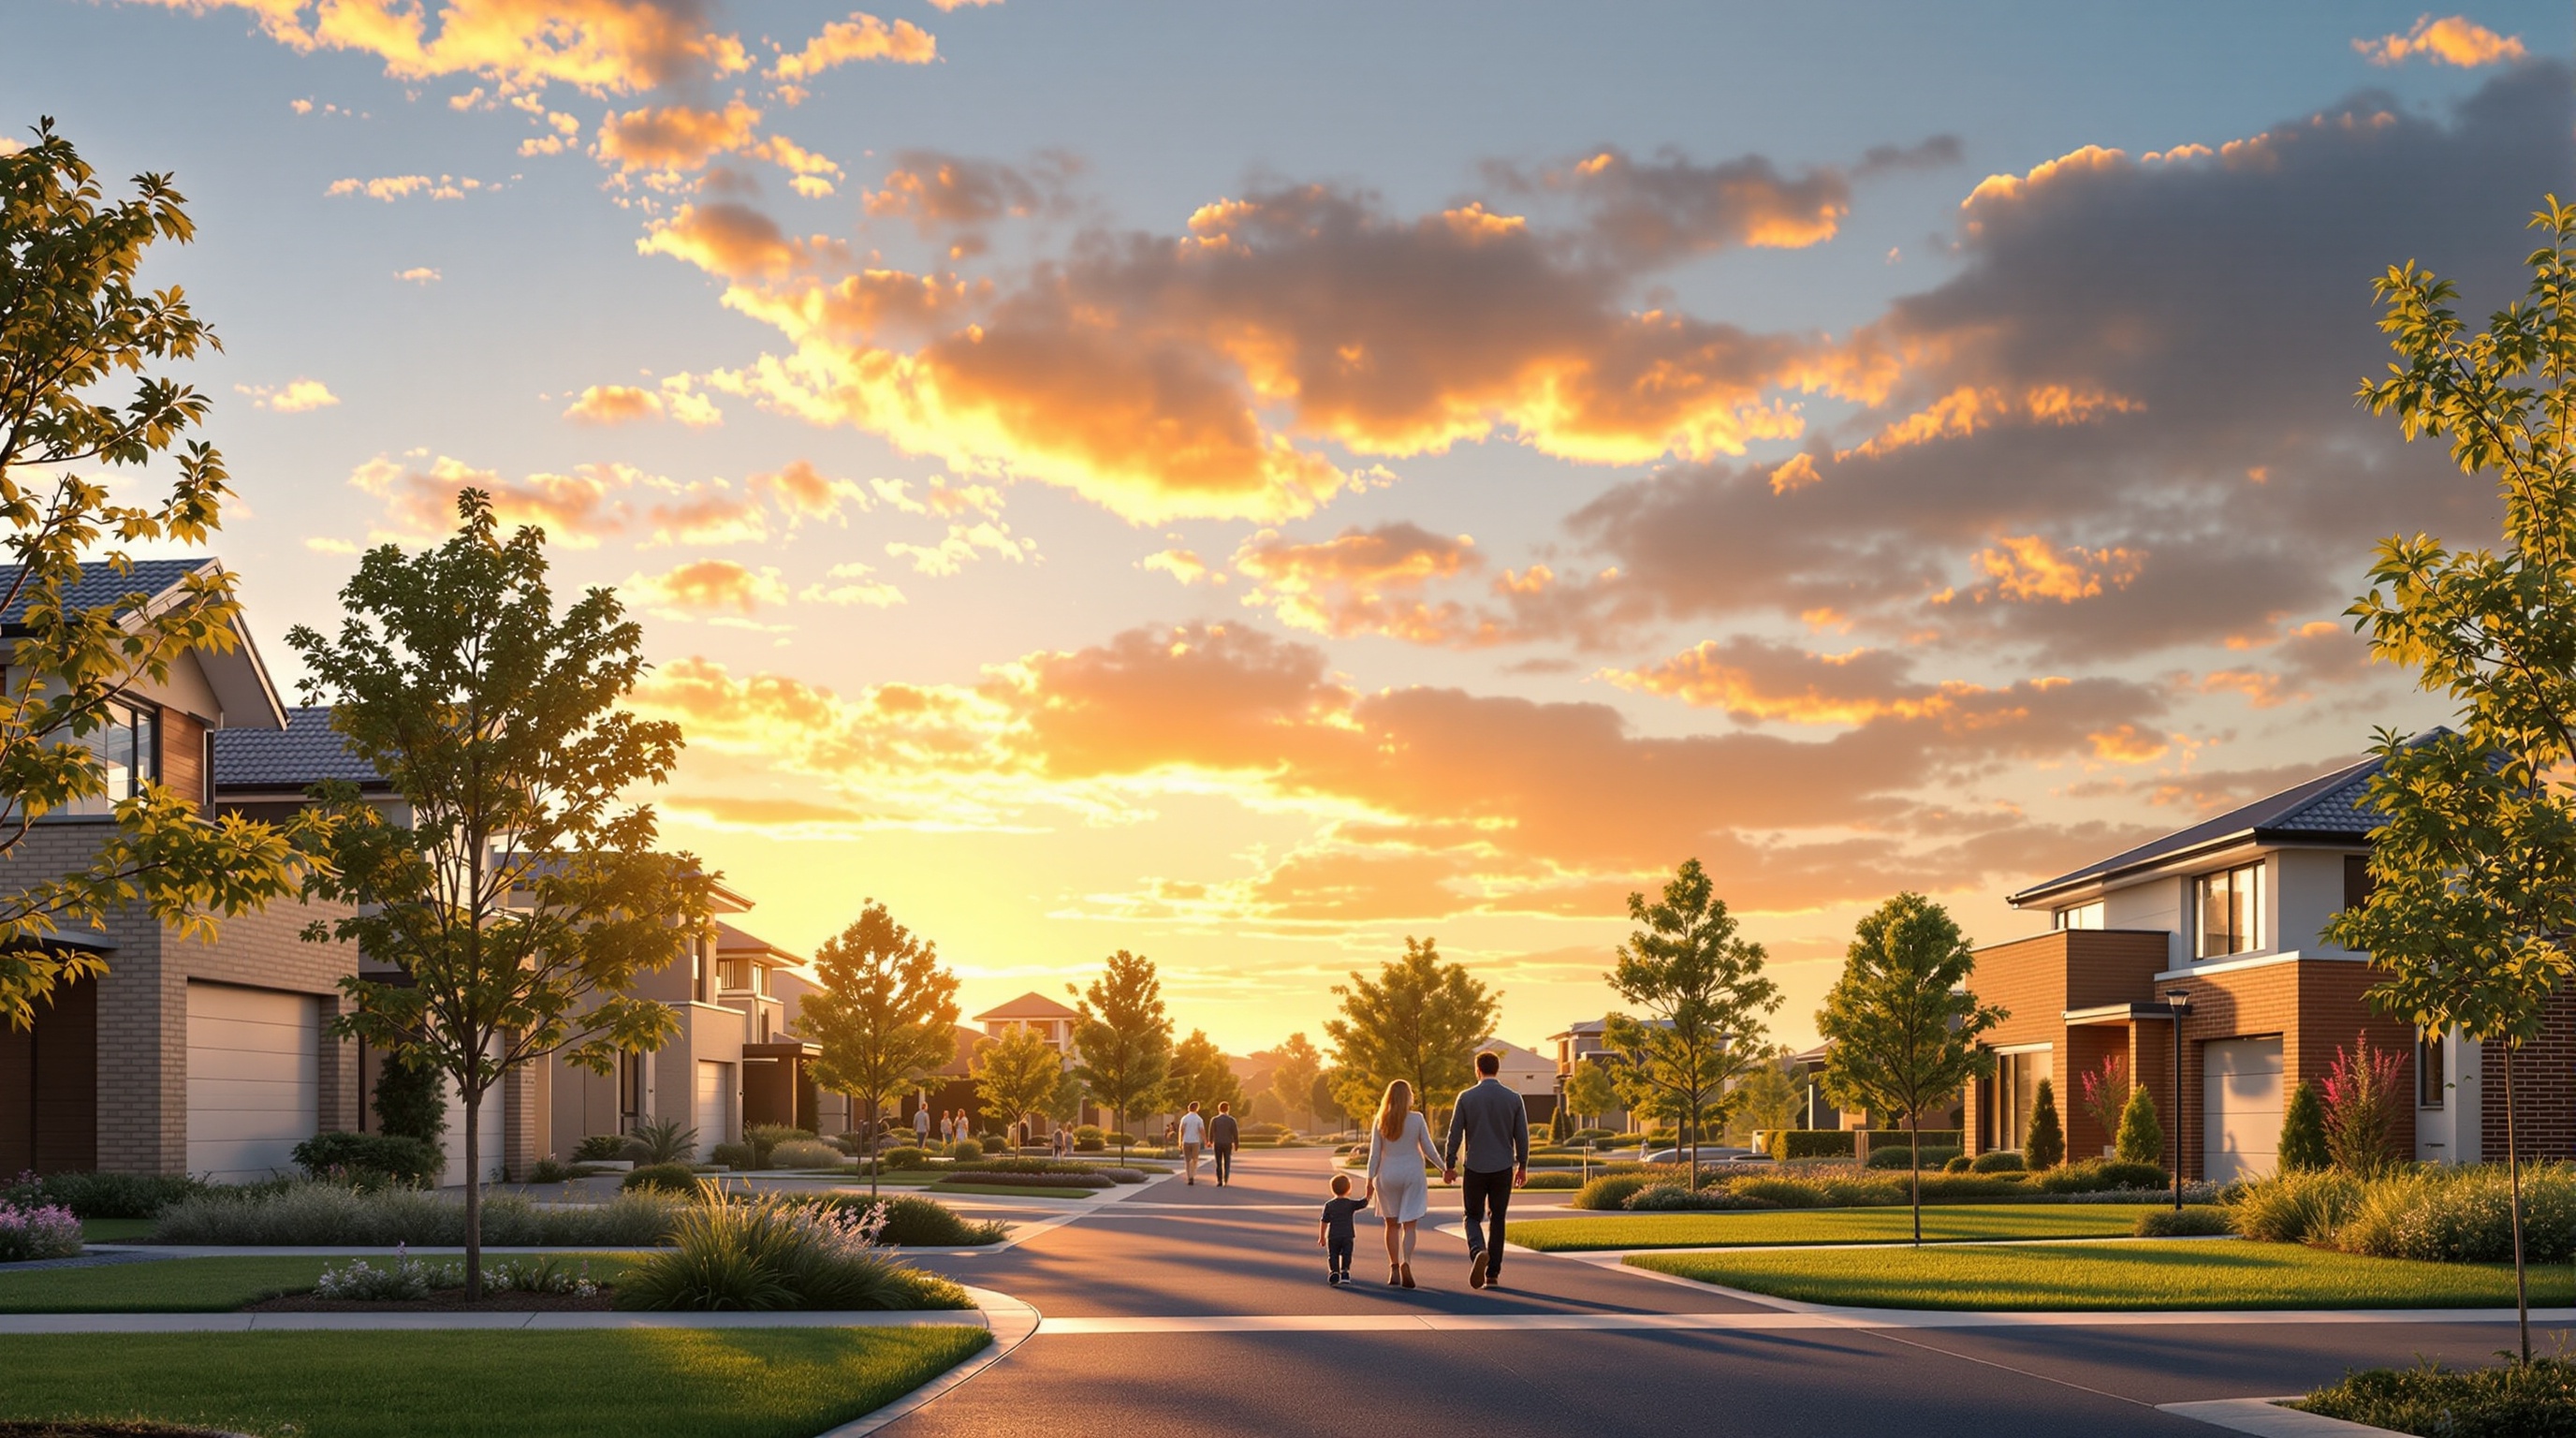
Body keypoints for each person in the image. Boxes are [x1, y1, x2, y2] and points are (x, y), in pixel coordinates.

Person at [1443, 1049, 1530, 1290]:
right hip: (1503, 1167)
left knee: (1471, 1216)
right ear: (1497, 1069)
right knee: (1498, 1218)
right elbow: (1522, 1137)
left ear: (1477, 1070)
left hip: (1475, 1167)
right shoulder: (1514, 1098)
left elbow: (1455, 1133)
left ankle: (1478, 1251)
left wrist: (1449, 1165)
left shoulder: (1466, 1097)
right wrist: (1522, 1166)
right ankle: (1492, 1274)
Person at [1364, 1078, 1442, 1288]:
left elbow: (1374, 1155)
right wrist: (1445, 1169)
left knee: (1391, 1225)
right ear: (1408, 1097)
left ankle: (1394, 1268)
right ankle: (1407, 1261)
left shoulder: (1380, 1120)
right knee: (1410, 1225)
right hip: (1412, 1173)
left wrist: (1369, 1180)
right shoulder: (1417, 1119)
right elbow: (1428, 1148)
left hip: (1387, 1174)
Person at [1317, 1172, 1368, 1285]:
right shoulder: (1350, 1204)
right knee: (1347, 1254)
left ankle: (1334, 1271)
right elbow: (1363, 1203)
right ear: (1348, 1189)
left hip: (1333, 1235)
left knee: (1333, 1255)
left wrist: (1322, 1237)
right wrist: (1370, 1192)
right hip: (1347, 1235)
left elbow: (1324, 1221)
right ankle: (1345, 1272)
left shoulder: (1329, 1205)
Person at [1208, 1100, 1240, 1186]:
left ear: (1219, 1109)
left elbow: (1211, 1132)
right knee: (1227, 1161)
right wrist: (1236, 1144)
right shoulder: (1231, 1120)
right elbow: (1235, 1133)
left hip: (1218, 1143)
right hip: (1227, 1143)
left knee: (1218, 1162)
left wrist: (1210, 1141)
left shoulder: (1214, 1120)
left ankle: (1219, 1180)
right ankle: (1226, 1179)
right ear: (1228, 1109)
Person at [1178, 1101, 1207, 1184]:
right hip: (1195, 1142)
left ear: (1188, 1108)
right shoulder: (1199, 1119)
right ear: (1197, 1109)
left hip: (1186, 1141)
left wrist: (1180, 1141)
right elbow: (1202, 1131)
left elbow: (1181, 1131)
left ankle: (1189, 1177)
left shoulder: (1184, 1118)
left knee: (1187, 1160)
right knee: (1195, 1160)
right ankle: (1192, 1175)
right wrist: (1205, 1141)